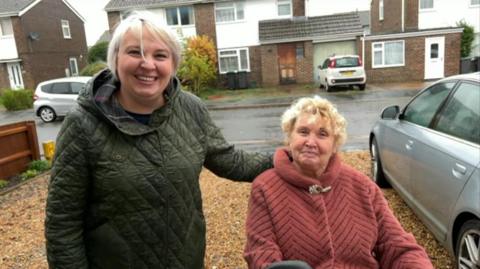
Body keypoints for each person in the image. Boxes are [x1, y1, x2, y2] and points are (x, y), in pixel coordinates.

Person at [45, 11, 271, 269]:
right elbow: (62, 223)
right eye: (134, 52)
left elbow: (229, 160)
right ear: (115, 59)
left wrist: (289, 159)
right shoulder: (83, 123)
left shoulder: (192, 109)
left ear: (173, 64)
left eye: (160, 55)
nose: (148, 64)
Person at [243, 96, 433, 269]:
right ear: (289, 138)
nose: (311, 142)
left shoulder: (362, 186)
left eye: (322, 134)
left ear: (335, 144)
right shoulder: (265, 188)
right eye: (303, 132)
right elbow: (260, 253)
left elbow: (398, 245)